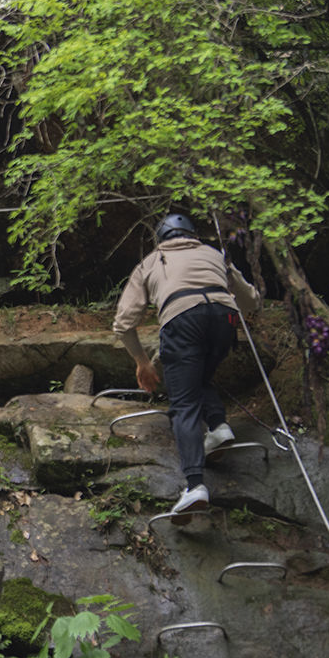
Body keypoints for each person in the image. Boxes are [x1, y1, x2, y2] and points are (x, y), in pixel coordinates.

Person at [112, 212, 261, 513]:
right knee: (196, 379)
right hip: (225, 319)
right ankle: (218, 427)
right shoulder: (214, 254)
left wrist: (142, 362)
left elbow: (124, 324)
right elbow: (251, 302)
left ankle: (195, 486)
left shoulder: (150, 263)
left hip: (182, 319)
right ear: (191, 234)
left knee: (183, 404)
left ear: (160, 239)